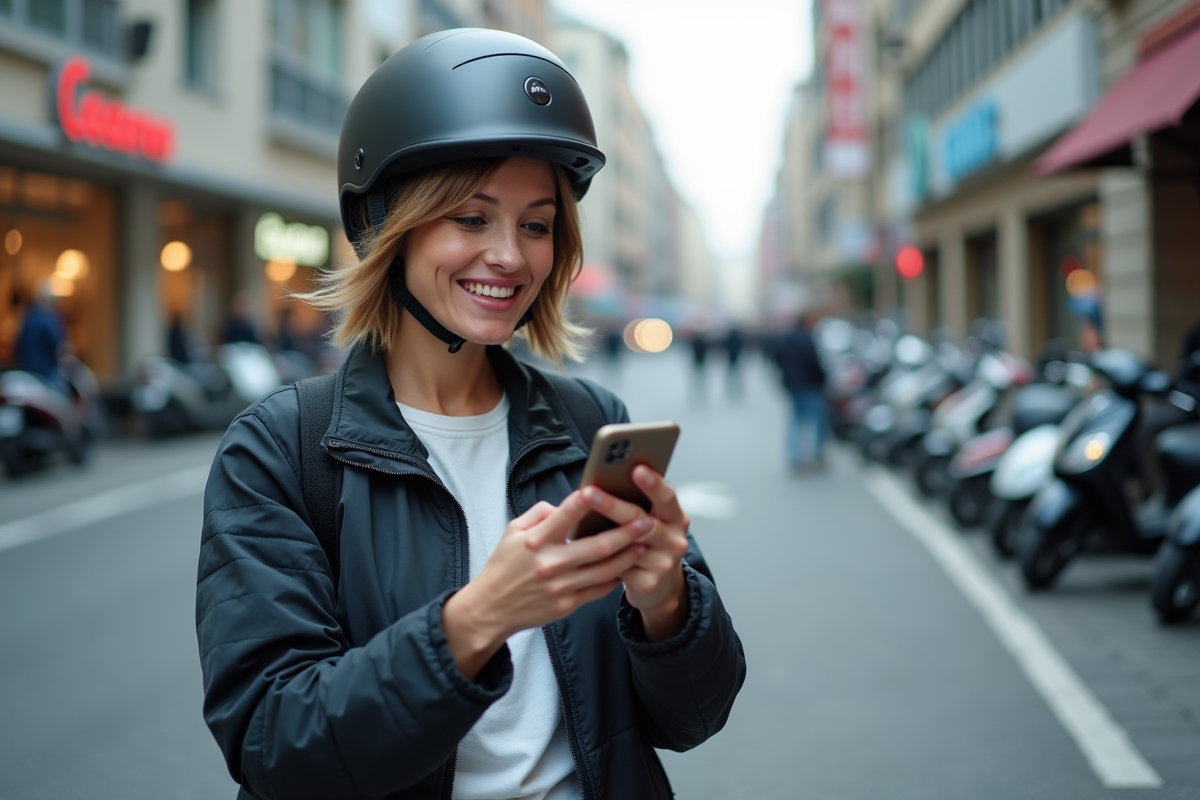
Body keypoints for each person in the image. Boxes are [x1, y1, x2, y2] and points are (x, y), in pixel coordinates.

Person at [196, 29, 744, 800]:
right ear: (390, 224)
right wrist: (475, 620)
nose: (511, 257)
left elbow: (696, 716)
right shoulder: (282, 450)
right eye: (471, 217)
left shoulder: (589, 422)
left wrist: (666, 606)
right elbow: (275, 747)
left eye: (536, 223)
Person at [774, 311, 828, 471]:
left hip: (792, 384)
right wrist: (822, 378)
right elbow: (814, 363)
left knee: (796, 420)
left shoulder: (787, 337)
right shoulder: (806, 338)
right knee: (816, 420)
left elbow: (777, 356)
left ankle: (795, 457)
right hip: (809, 385)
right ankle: (815, 454)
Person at [16, 281, 68, 391]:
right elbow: (60, 348)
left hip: (28, 373)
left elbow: (17, 346)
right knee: (62, 395)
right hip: (45, 375)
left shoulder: (28, 318)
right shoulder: (48, 320)